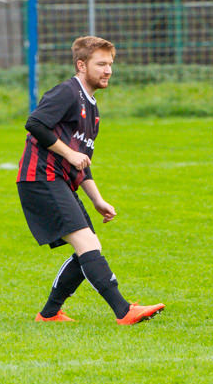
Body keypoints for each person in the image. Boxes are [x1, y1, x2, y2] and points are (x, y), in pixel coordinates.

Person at [17, 36, 164, 325]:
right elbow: (35, 124)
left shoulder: (91, 107)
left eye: (110, 64)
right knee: (87, 244)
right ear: (81, 65)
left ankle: (49, 314)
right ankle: (123, 310)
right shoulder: (67, 92)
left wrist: (97, 199)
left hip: (56, 179)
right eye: (101, 64)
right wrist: (68, 153)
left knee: (90, 246)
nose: (108, 70)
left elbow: (83, 161)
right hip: (40, 177)